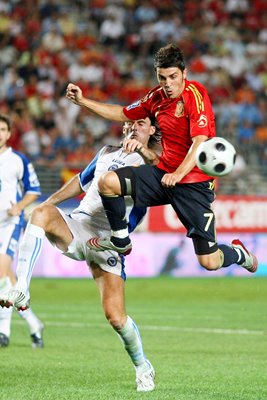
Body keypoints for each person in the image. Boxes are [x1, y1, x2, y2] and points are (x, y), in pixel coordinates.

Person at [64, 43, 258, 274]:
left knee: (209, 262)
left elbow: (199, 141)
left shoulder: (195, 95)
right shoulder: (155, 97)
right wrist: (83, 102)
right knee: (108, 182)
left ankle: (238, 253)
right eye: (162, 77)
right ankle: (120, 240)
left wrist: (178, 174)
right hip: (163, 175)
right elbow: (122, 113)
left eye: (173, 76)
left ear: (184, 74)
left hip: (192, 184)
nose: (167, 84)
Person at [1, 118, 160, 392]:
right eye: (128, 122)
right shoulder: (106, 152)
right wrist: (49, 202)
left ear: (153, 130)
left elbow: (153, 186)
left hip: (109, 239)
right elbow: (79, 182)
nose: (132, 126)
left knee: (116, 317)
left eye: (141, 123)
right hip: (79, 225)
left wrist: (118, 237)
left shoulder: (151, 165)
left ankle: (143, 367)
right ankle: (23, 289)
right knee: (41, 214)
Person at [0, 114, 44, 348]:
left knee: (0, 272)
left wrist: (18, 206)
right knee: (8, 279)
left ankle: (3, 331)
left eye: (2, 129)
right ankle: (34, 324)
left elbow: (34, 189)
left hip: (9, 224)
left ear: (9, 134)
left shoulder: (18, 160)